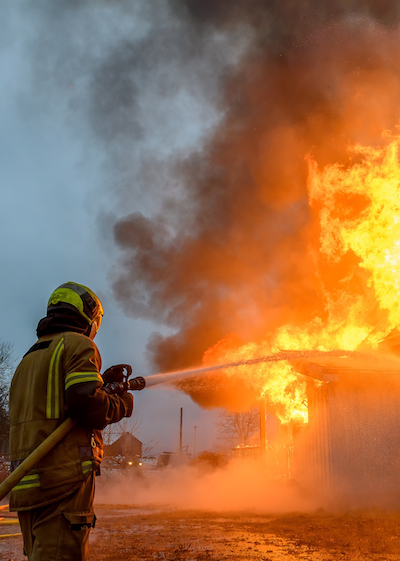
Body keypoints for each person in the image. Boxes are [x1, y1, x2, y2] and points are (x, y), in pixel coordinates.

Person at [8, 282, 134, 560]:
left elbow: (60, 403)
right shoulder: (79, 345)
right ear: (90, 318)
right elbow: (84, 403)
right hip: (62, 479)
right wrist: (120, 405)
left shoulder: (30, 358)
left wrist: (102, 384)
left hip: (27, 482)